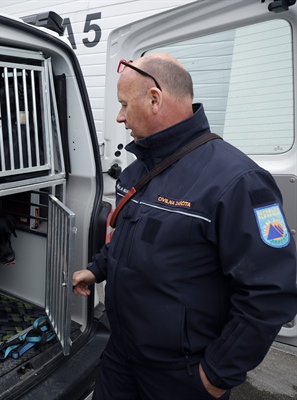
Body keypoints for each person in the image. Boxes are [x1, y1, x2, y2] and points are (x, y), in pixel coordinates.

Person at [72, 53, 297, 400]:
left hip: (181, 375)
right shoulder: (137, 170)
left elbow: (269, 292)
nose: (119, 117)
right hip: (121, 353)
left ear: (154, 99)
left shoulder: (238, 181)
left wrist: (216, 374)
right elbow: (130, 236)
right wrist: (97, 269)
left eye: (123, 105)